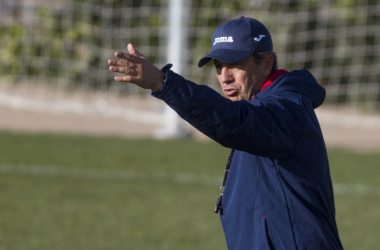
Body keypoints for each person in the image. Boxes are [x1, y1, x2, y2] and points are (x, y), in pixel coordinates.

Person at [108, 16, 343, 250]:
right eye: (219, 66)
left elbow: (232, 121)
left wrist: (163, 83)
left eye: (235, 64)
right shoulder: (259, 102)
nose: (224, 77)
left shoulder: (285, 109)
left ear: (266, 63)